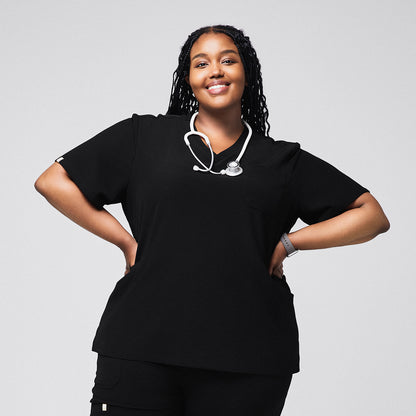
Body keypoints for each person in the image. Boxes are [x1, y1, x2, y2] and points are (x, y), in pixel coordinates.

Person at [34, 24, 390, 416]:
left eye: (228, 60)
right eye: (201, 63)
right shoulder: (145, 137)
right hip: (141, 347)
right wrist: (125, 241)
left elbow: (371, 216)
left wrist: (292, 242)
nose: (215, 70)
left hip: (249, 357)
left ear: (246, 73)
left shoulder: (281, 161)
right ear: (188, 79)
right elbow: (53, 181)